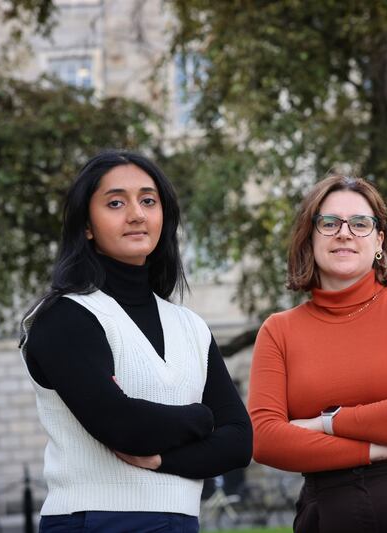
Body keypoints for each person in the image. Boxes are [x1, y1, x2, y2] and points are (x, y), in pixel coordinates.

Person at [20, 150, 252, 533]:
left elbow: (240, 443)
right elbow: (122, 425)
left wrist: (162, 460)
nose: (136, 214)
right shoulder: (64, 317)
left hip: (181, 520)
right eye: (115, 203)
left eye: (148, 200)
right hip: (93, 521)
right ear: (87, 225)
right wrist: (203, 418)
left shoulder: (190, 327)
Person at [248, 174, 387, 532]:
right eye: (329, 223)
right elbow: (264, 438)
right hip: (329, 509)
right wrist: (370, 450)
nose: (344, 233)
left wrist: (326, 423)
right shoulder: (278, 330)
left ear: (379, 240)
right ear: (309, 237)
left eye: (360, 223)